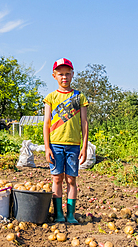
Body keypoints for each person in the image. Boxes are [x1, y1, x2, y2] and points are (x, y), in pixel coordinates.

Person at [43, 58, 89, 223]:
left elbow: (84, 123)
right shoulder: (51, 97)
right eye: (61, 74)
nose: (64, 77)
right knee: (57, 178)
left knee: (71, 179)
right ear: (54, 75)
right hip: (55, 145)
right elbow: (46, 123)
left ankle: (70, 214)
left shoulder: (79, 97)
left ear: (73, 75)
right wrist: (47, 147)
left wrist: (84, 147)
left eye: (68, 74)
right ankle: (59, 214)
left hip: (74, 146)